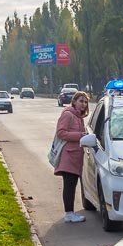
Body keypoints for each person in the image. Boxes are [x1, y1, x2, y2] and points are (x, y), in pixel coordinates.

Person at [54, 91, 89, 223]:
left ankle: (70, 213)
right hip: (68, 156)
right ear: (74, 101)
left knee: (72, 184)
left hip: (75, 156)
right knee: (69, 185)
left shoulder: (79, 117)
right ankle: (69, 214)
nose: (83, 104)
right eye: (81, 101)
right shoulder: (68, 115)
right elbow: (61, 133)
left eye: (85, 102)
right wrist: (81, 135)